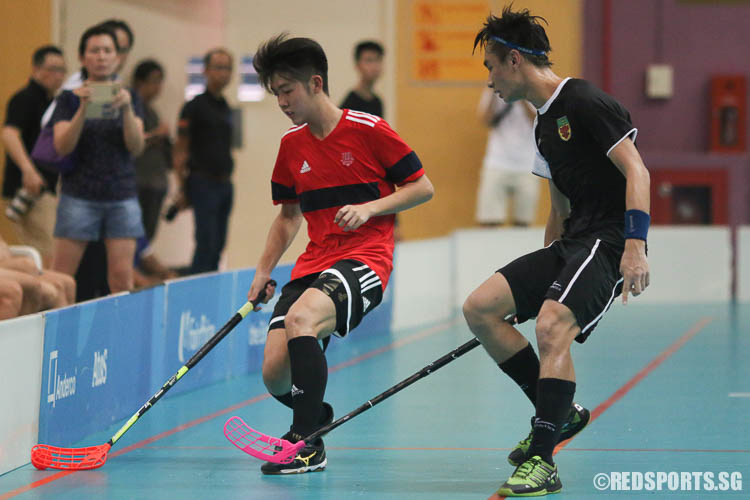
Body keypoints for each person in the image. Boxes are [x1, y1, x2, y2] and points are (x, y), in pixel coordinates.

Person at [463, 8, 650, 497]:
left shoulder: (584, 99)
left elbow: (637, 171)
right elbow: (559, 207)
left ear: (515, 60)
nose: (489, 81)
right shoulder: (543, 126)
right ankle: (559, 413)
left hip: (609, 241)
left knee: (551, 326)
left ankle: (543, 461)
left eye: (491, 67)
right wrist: (546, 275)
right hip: (573, 242)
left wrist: (635, 245)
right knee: (481, 309)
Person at [246, 34, 434, 475]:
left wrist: (371, 207)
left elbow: (422, 188)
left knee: (301, 320)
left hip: (366, 257)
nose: (282, 102)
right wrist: (262, 270)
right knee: (275, 372)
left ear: (315, 83)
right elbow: (288, 218)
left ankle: (306, 442)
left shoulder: (369, 130)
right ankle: (314, 414)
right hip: (314, 260)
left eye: (287, 91)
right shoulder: (291, 146)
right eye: (275, 94)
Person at [40, 19, 135, 301]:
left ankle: (116, 338)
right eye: (96, 50)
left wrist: (127, 108)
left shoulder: (127, 95)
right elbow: (59, 144)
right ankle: (59, 340)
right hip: (78, 194)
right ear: (83, 56)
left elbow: (136, 144)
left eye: (110, 50)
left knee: (119, 279)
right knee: (65, 276)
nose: (102, 57)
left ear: (119, 56)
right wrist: (82, 108)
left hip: (119, 195)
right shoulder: (70, 95)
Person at [2, 45, 66, 266]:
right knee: (43, 253)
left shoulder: (52, 102)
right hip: (28, 188)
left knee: (50, 250)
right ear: (37, 69)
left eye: (62, 70)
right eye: (54, 69)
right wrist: (28, 171)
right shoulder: (25, 98)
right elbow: (9, 133)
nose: (59, 75)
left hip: (46, 187)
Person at [173, 48, 235, 274]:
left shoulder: (226, 106)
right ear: (206, 70)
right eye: (218, 67)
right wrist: (182, 186)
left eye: (228, 68)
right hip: (203, 182)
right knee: (205, 243)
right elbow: (180, 149)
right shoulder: (194, 107)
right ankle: (198, 293)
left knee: (218, 245)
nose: (224, 73)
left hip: (224, 183)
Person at [475, 87, 539, 226]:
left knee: (523, 222)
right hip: (497, 162)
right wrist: (493, 91)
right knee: (489, 221)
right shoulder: (493, 90)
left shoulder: (533, 92)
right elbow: (486, 120)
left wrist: (520, 96)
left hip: (527, 164)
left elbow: (538, 123)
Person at [132, 59, 170, 241]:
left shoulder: (152, 110)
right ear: (140, 82)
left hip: (155, 182)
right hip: (138, 181)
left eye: (160, 81)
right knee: (136, 234)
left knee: (148, 234)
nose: (158, 86)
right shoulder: (131, 108)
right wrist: (156, 134)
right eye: (154, 80)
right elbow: (132, 144)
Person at [340, 40, 385, 117]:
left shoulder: (377, 102)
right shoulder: (350, 104)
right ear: (357, 65)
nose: (374, 66)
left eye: (378, 60)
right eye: (369, 60)